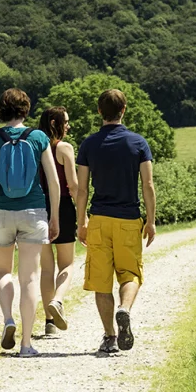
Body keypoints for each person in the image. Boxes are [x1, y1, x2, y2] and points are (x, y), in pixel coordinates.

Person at [0, 88, 60, 357]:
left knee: (2, 272)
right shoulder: (39, 137)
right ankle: (26, 344)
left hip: (0, 212)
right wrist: (54, 215)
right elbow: (54, 182)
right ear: (26, 109)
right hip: (33, 211)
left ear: (1, 109)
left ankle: (8, 319)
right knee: (30, 278)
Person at [76, 88, 156, 355]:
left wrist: (81, 222)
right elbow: (148, 184)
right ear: (124, 110)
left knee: (101, 282)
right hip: (129, 220)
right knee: (130, 274)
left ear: (100, 111)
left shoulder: (88, 144)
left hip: (99, 219)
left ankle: (110, 337)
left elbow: (82, 189)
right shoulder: (138, 143)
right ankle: (125, 309)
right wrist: (151, 220)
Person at [38, 106, 78, 336]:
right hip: (62, 207)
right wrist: (82, 211)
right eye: (66, 122)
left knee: (46, 268)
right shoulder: (64, 148)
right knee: (67, 264)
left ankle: (49, 322)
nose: (69, 126)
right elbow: (72, 185)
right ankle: (58, 300)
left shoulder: (35, 147)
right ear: (55, 123)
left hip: (37, 207)